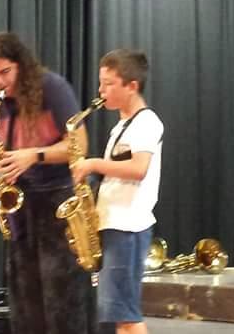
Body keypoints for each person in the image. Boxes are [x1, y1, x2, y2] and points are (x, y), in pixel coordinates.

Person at [0, 31, 96, 334]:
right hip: (22, 202)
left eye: (5, 72)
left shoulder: (52, 88)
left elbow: (79, 145)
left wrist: (34, 155)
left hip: (60, 197)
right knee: (25, 299)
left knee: (62, 297)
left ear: (21, 66)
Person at [71, 49, 163, 334]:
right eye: (101, 83)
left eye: (108, 84)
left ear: (132, 85)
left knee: (126, 316)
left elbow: (139, 168)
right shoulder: (122, 125)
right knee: (118, 315)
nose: (101, 91)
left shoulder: (146, 122)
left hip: (128, 227)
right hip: (114, 225)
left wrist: (93, 164)